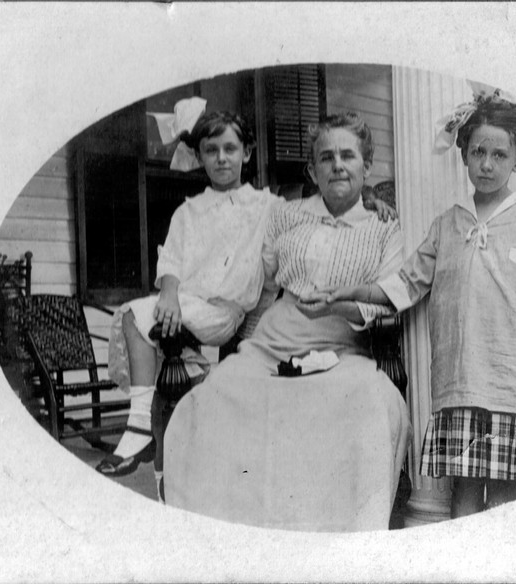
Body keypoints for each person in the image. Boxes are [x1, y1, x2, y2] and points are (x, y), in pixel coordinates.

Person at [317, 94, 516, 518]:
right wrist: (348, 291)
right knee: (465, 492)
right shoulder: (448, 224)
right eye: (478, 152)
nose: (487, 164)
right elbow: (403, 285)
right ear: (465, 156)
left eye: (499, 154)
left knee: (506, 494)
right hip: (462, 382)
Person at [97, 100, 397, 490]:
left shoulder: (268, 205)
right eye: (211, 150)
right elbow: (179, 260)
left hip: (241, 318)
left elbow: (336, 198)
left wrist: (371, 199)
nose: (221, 159)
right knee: (151, 338)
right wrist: (170, 292)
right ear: (199, 156)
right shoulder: (210, 211)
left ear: (247, 153)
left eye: (230, 149)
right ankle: (152, 447)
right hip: (200, 310)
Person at [163, 112, 411, 532]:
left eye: (348, 156)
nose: (337, 165)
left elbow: (386, 301)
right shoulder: (285, 214)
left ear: (366, 167)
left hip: (343, 345)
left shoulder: (385, 227)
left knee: (367, 404)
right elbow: (260, 280)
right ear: (312, 169)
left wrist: (337, 305)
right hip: (272, 340)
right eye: (326, 157)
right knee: (214, 398)